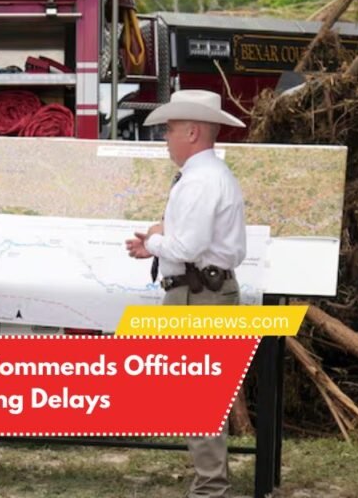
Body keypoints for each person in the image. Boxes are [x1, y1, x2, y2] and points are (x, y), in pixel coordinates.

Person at [125, 89, 247, 498]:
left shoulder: (201, 181)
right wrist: (158, 244)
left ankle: (210, 488)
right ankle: (210, 482)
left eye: (171, 129)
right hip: (201, 290)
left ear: (192, 132)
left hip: (200, 295)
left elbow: (185, 248)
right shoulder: (208, 176)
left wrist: (158, 242)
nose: (166, 138)